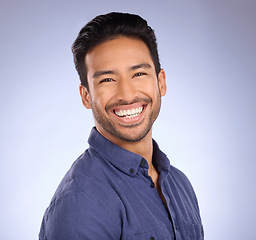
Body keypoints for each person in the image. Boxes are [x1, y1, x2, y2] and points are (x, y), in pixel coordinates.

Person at [39, 12, 204, 240]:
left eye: (139, 73)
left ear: (161, 82)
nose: (127, 94)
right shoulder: (81, 203)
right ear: (86, 96)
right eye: (107, 79)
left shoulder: (179, 184)